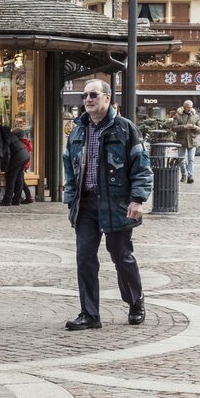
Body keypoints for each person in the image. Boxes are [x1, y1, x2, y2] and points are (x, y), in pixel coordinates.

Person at [62, 78, 152, 330]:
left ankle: (136, 301)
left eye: (93, 95)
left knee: (121, 256)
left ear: (107, 98)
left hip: (117, 204)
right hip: (86, 205)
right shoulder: (78, 130)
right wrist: (71, 199)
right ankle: (90, 314)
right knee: (85, 259)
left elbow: (142, 167)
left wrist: (137, 199)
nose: (88, 100)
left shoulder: (125, 128)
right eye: (84, 96)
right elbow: (68, 165)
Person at [170, 101, 200, 184]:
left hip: (192, 140)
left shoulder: (195, 116)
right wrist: (184, 127)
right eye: (188, 107)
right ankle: (184, 174)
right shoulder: (177, 116)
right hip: (181, 140)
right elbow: (173, 128)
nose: (190, 108)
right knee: (181, 159)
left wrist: (195, 127)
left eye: (191, 106)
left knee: (191, 159)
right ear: (184, 107)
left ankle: (190, 176)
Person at [2, 123, 29, 205]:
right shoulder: (11, 136)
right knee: (19, 178)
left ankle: (7, 199)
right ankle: (17, 199)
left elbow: (6, 153)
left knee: (11, 178)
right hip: (24, 155)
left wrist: (4, 166)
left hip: (18, 157)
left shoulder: (6, 137)